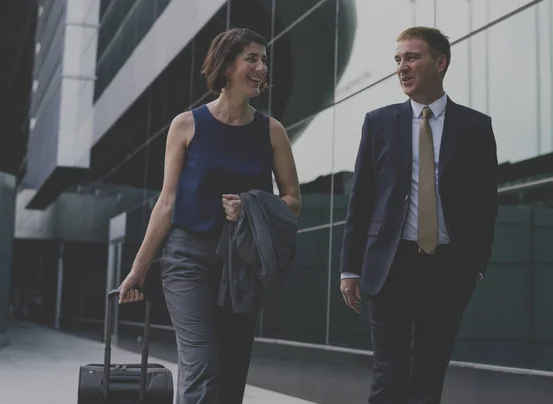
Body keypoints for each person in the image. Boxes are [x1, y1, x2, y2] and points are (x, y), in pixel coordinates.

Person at [117, 28, 301, 404]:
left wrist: (251, 205)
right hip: (187, 258)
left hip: (242, 263)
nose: (261, 67)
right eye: (252, 58)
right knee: (201, 363)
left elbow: (293, 199)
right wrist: (139, 269)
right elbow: (166, 202)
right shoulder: (187, 124)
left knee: (232, 372)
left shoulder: (272, 131)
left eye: (263, 60)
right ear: (227, 64)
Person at [339, 26, 498, 404]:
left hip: (447, 267)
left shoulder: (476, 127)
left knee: (429, 373)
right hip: (389, 264)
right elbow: (361, 199)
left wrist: (475, 263)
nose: (402, 67)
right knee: (389, 373)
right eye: (398, 60)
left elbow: (485, 203)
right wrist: (350, 267)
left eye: (412, 57)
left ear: (440, 63)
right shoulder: (378, 123)